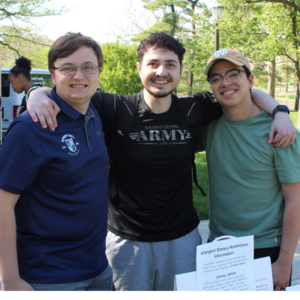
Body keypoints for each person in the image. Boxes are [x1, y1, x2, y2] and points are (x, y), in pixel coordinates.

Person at [26, 32, 295, 291]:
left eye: (170, 64)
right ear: (139, 68)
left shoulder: (195, 107)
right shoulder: (115, 108)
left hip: (182, 240)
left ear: (179, 69)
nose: (161, 72)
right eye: (153, 63)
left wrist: (280, 111)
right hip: (127, 242)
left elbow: (245, 89)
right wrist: (36, 94)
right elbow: (69, 88)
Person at [0, 32, 113, 291]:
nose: (78, 75)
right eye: (68, 68)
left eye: (88, 67)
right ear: (53, 74)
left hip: (98, 269)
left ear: (98, 71)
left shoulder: (93, 115)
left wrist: (38, 92)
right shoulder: (31, 128)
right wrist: (10, 280)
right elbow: (2, 204)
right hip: (49, 277)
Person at [204, 48, 300, 291]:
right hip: (218, 248)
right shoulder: (209, 127)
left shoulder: (281, 133)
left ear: (249, 80)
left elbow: (295, 200)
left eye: (233, 74)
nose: (225, 82)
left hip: (266, 249)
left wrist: (285, 261)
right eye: (216, 78)